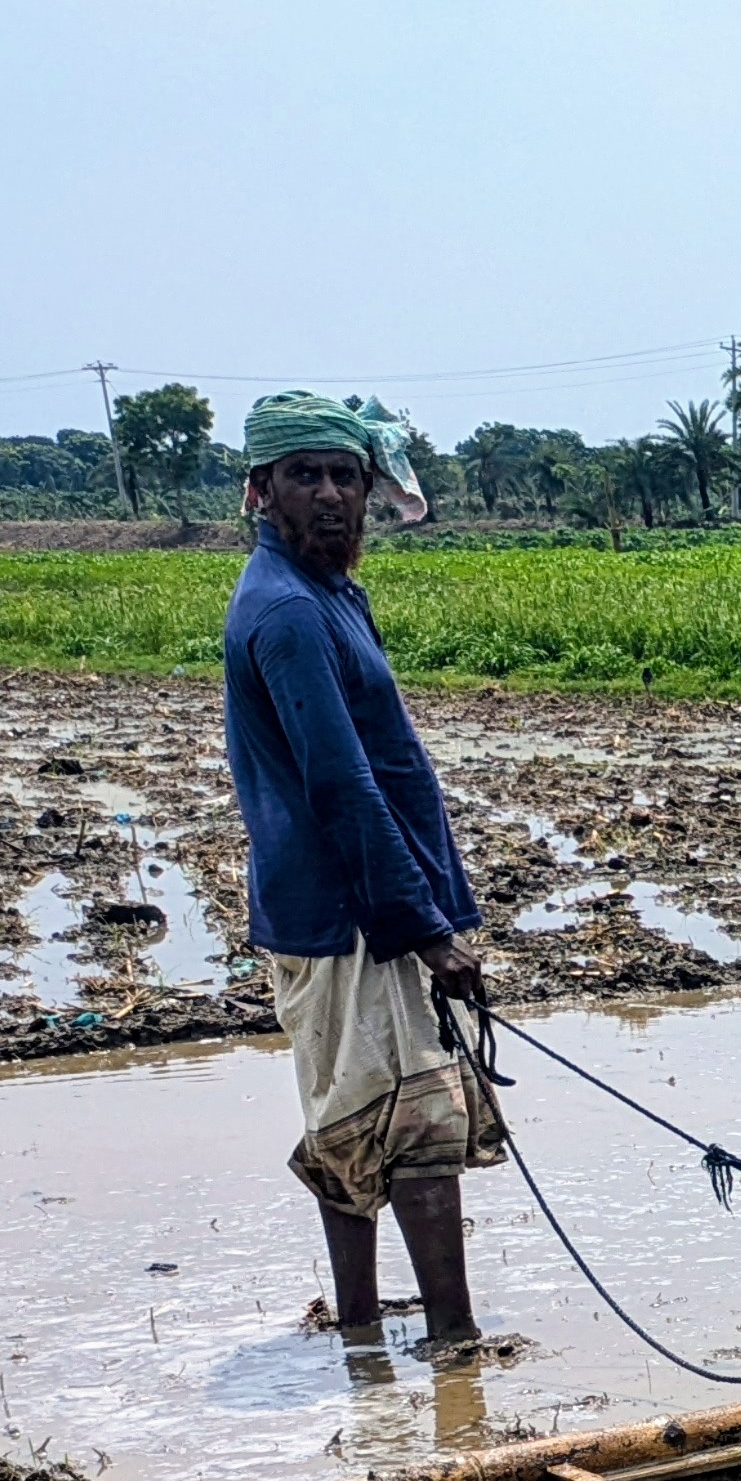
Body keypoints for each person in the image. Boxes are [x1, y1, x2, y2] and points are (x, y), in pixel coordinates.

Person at [224, 391, 499, 1348]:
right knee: (411, 1128)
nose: (332, 496)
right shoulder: (289, 614)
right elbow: (342, 786)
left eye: (347, 476)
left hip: (356, 907)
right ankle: (452, 1345)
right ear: (261, 490)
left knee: (356, 1115)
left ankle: (361, 1338)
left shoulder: (332, 595)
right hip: (350, 916)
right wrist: (425, 929)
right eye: (307, 476)